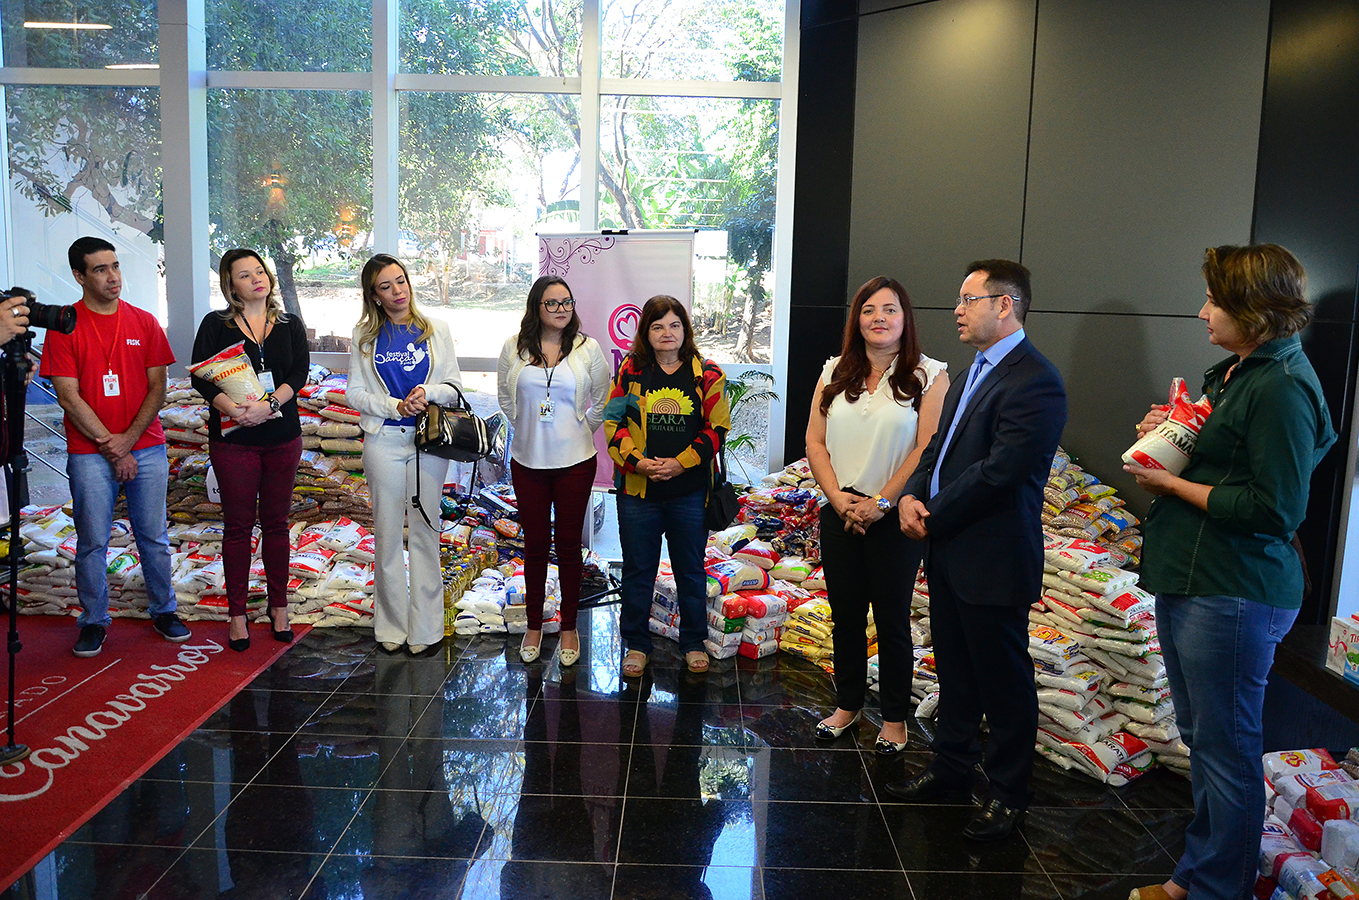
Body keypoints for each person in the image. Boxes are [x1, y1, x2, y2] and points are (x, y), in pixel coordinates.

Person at [1124, 245, 1336, 900]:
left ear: (1253, 309)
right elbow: (1228, 460)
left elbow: (1274, 510)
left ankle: (1217, 889)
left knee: (1226, 752)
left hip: (1234, 589)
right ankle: (1195, 876)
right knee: (1204, 742)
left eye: (1214, 301)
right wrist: (1169, 434)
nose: (1201, 312)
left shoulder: (1282, 387)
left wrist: (1169, 484)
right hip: (1197, 579)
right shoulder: (1241, 371)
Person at [890, 258, 1067, 842]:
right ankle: (951, 771)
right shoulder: (972, 372)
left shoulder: (1035, 380)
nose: (957, 311)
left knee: (1003, 683)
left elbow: (1001, 473)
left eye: (969, 300)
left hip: (993, 557)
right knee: (956, 674)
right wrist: (912, 496)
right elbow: (937, 449)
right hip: (948, 550)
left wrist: (931, 514)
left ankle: (1010, 795)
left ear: (1005, 305)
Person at [804, 276, 949, 754]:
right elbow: (815, 441)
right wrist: (836, 498)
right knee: (845, 617)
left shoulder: (930, 374)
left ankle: (893, 720)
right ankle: (846, 706)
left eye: (890, 309)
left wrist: (882, 502)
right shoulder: (833, 371)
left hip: (895, 516)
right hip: (839, 511)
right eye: (869, 310)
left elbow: (925, 448)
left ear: (906, 319)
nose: (879, 318)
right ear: (857, 319)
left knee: (891, 622)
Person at [41, 237, 188, 657]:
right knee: (92, 540)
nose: (113, 276)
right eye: (100, 269)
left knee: (153, 535)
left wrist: (128, 441)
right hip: (90, 452)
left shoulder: (143, 321)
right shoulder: (65, 326)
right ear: (79, 276)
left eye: (116, 266)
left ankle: (164, 610)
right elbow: (68, 396)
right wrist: (114, 446)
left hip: (147, 445)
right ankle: (93, 620)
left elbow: (158, 387)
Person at [603, 295, 730, 677]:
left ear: (685, 330)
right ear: (646, 333)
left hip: (689, 492)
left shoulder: (707, 374)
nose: (667, 333)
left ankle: (693, 641)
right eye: (657, 326)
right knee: (638, 570)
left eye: (674, 325)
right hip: (638, 492)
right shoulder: (630, 371)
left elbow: (717, 429)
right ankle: (637, 644)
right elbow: (613, 423)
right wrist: (638, 462)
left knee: (690, 570)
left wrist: (680, 463)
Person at [191, 249, 309, 651]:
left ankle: (279, 607)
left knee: (277, 524)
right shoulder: (216, 324)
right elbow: (201, 378)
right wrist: (233, 410)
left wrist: (268, 405)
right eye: (245, 275)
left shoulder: (289, 324)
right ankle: (238, 614)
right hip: (234, 441)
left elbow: (299, 373)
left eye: (260, 271)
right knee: (238, 527)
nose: (257, 279)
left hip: (282, 438)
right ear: (230, 284)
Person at [346, 253, 463, 655]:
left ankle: (427, 630)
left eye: (401, 281)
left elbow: (454, 386)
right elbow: (354, 393)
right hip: (384, 441)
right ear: (374, 295)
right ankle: (392, 626)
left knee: (427, 531)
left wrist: (428, 392)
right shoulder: (364, 337)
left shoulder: (436, 329)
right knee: (388, 534)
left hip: (429, 442)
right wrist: (393, 405)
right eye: (386, 286)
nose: (398, 291)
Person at [497, 275, 610, 666]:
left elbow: (602, 400)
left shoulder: (587, 348)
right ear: (536, 307)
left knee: (568, 547)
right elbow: (505, 398)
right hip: (527, 462)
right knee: (533, 547)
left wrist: (578, 430)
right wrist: (529, 428)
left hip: (575, 463)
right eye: (552, 303)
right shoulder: (514, 347)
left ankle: (568, 627)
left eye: (567, 302)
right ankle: (533, 624)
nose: (561, 309)